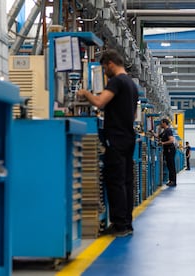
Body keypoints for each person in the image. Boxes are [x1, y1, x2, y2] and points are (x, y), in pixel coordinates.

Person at [77, 49, 138, 237]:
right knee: (127, 181)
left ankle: (119, 225)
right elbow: (133, 115)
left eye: (104, 68)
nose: (104, 72)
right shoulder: (132, 84)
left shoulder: (117, 81)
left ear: (111, 63)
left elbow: (99, 102)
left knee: (115, 181)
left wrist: (85, 93)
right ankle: (126, 223)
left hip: (116, 139)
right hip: (128, 136)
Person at [159, 118, 177, 187]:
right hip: (167, 150)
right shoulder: (164, 131)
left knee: (171, 165)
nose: (160, 124)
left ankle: (173, 181)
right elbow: (158, 136)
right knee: (169, 166)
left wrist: (163, 143)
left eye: (161, 123)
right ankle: (171, 180)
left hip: (170, 150)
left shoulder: (168, 130)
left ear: (164, 123)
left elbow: (171, 140)